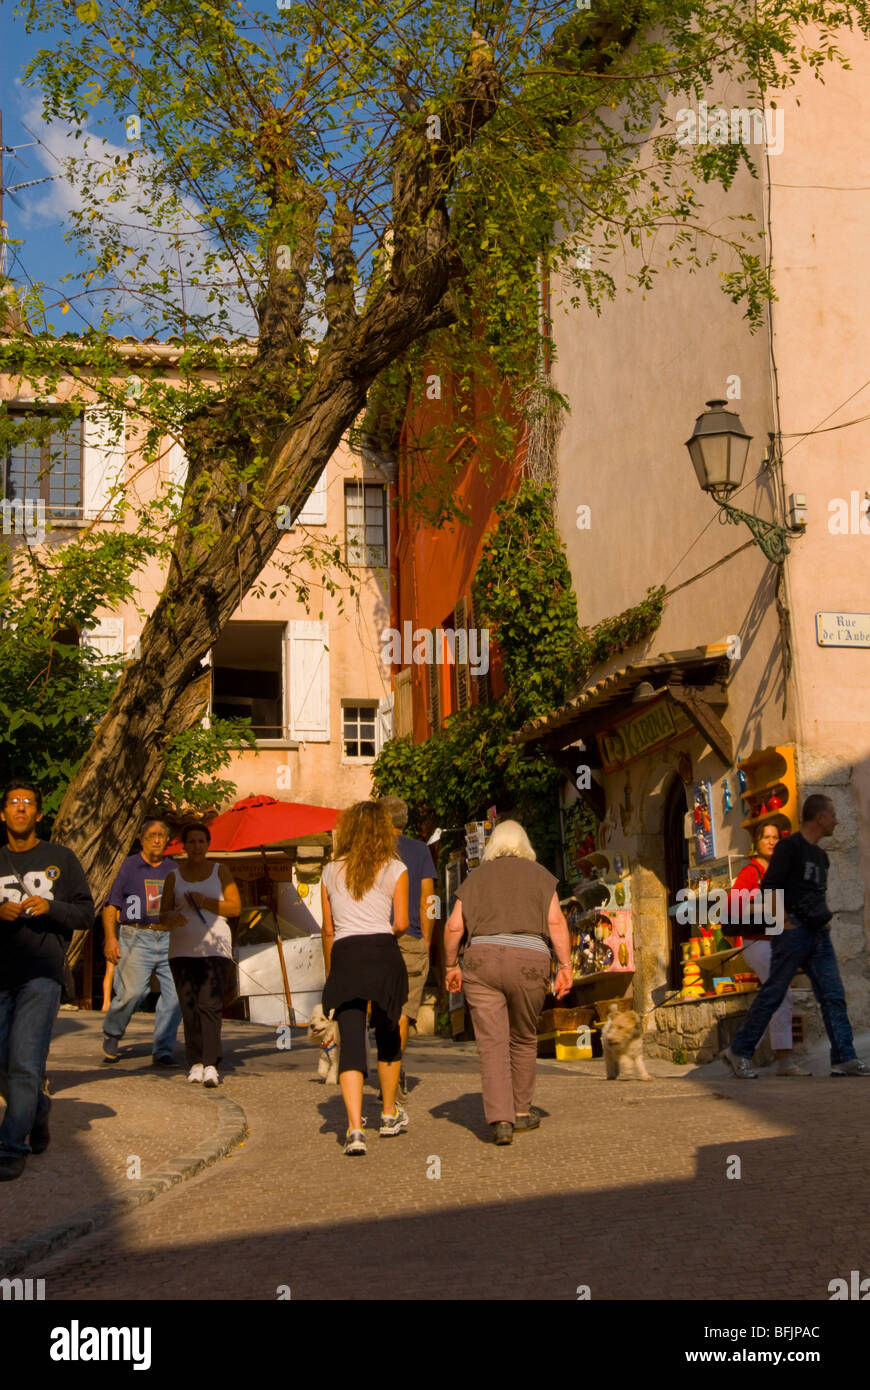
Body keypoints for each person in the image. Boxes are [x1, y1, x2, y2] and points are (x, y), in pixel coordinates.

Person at [442, 819, 573, 1146]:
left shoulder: (476, 878)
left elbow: (455, 926)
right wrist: (566, 965)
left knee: (492, 1044)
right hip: (529, 961)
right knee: (524, 1038)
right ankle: (523, 1112)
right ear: (524, 844)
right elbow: (556, 920)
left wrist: (450, 965)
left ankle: (501, 1121)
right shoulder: (541, 875)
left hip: (482, 961)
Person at [723, 795, 870, 1078]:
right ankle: (740, 1050)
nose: (837, 820)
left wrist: (823, 919)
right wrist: (784, 920)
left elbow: (815, 894)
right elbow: (770, 887)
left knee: (833, 994)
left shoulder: (821, 856)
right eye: (833, 814)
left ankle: (844, 1057)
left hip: (818, 934)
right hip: (792, 933)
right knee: (775, 993)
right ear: (820, 818)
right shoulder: (789, 848)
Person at [0, 782, 94, 1181]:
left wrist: (50, 906)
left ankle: (11, 1145)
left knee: (24, 1060)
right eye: (14, 803)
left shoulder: (61, 858)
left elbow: (86, 914)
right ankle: (37, 1113)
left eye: (29, 804)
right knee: (4, 1063)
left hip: (43, 974)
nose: (21, 809)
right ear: (2, 813)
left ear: (39, 814)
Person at [320, 801, 409, 1156]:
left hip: (345, 955)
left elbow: (328, 930)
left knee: (352, 1043)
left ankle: (355, 1129)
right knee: (388, 1033)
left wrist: (332, 973)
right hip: (382, 952)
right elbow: (401, 922)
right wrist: (380, 934)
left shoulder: (330, 871)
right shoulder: (395, 868)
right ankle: (388, 1114)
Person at [157, 822, 240, 1088]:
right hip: (181, 950)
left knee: (210, 1006)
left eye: (201, 842)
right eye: (191, 842)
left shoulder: (220, 871)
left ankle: (212, 1064)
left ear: (208, 844)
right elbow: (162, 915)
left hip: (215, 949)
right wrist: (171, 916)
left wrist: (205, 902)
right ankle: (194, 1062)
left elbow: (235, 907)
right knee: (189, 1006)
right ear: (184, 846)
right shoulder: (174, 876)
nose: (196, 847)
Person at [723, 820, 809, 1077]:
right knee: (778, 994)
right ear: (756, 842)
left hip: (778, 945)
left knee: (781, 996)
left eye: (775, 837)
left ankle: (776, 1058)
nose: (771, 841)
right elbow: (731, 907)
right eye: (766, 837)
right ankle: (745, 1052)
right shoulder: (751, 872)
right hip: (757, 944)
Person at [101, 819, 182, 1067]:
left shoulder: (174, 869)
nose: (157, 840)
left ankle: (163, 1048)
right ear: (141, 838)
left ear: (167, 839)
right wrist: (111, 938)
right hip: (135, 935)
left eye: (161, 835)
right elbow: (110, 906)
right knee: (133, 993)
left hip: (169, 936)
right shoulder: (128, 866)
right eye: (151, 835)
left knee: (176, 995)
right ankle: (113, 1034)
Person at [380, 795, 436, 1098]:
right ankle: (395, 1067)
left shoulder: (370, 850)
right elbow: (431, 900)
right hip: (411, 938)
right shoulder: (420, 851)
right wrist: (428, 938)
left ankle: (387, 1066)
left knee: (382, 1008)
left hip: (375, 939)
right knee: (403, 1012)